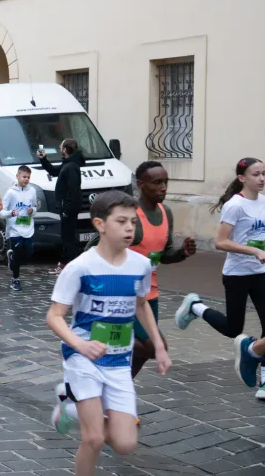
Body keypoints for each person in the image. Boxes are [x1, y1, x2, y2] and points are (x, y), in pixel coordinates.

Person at [47, 191, 171, 476]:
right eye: (121, 222)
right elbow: (54, 317)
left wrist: (159, 347)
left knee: (125, 443)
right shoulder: (80, 267)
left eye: (133, 222)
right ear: (100, 224)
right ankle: (76, 405)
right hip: (83, 358)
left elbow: (141, 305)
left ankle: (69, 406)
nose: (130, 228)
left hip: (118, 361)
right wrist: (80, 344)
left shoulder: (140, 265)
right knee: (93, 438)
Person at [174, 157, 265, 400]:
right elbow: (221, 242)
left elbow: (256, 234)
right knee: (233, 329)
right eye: (256, 174)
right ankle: (196, 307)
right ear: (242, 178)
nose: (261, 179)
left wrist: (264, 253)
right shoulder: (235, 205)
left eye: (263, 173)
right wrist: (255, 251)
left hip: (261, 273)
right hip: (237, 274)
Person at [89, 161, 196, 379]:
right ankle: (107, 341)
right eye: (157, 182)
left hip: (150, 295)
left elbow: (164, 255)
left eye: (166, 182)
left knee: (143, 353)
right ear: (141, 185)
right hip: (124, 294)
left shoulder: (166, 213)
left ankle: (117, 392)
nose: (164, 187)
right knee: (156, 347)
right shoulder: (130, 216)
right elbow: (94, 246)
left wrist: (182, 252)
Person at [38, 138, 84, 274]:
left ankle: (73, 266)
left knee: (68, 238)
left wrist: (67, 209)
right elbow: (53, 171)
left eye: (61, 146)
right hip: (67, 208)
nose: (59, 148)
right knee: (66, 237)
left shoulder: (71, 167)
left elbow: (73, 191)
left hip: (69, 209)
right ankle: (65, 264)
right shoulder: (68, 164)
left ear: (65, 150)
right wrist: (43, 159)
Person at [0, 165, 37, 292]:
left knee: (29, 252)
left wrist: (32, 211)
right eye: (24, 177)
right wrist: (11, 213)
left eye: (28, 177)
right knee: (19, 253)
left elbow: (35, 207)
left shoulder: (32, 191)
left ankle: (12, 258)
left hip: (28, 228)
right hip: (15, 229)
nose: (26, 179)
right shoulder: (11, 193)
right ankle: (15, 279)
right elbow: (1, 212)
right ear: (17, 176)